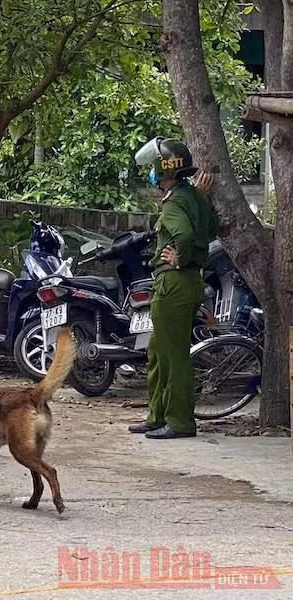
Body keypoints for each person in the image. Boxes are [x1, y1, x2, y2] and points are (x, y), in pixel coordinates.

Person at [130, 137, 218, 439]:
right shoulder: (194, 196)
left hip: (174, 284)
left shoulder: (173, 203)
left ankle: (179, 422)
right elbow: (210, 230)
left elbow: (184, 232)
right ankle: (156, 416)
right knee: (158, 352)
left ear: (163, 169)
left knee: (174, 356)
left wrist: (179, 257)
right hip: (188, 283)